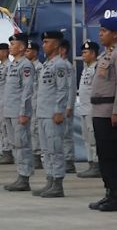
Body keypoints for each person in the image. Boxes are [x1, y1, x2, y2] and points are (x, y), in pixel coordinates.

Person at [89, 18, 117, 212]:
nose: (100, 34)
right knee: (103, 154)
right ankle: (109, 193)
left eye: (104, 31)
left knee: (112, 155)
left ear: (115, 33)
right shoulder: (106, 55)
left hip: (110, 111)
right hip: (98, 111)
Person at [32, 31, 68, 198]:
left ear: (56, 44)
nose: (44, 45)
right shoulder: (47, 64)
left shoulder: (59, 64)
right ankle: (50, 180)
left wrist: (59, 110)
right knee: (46, 151)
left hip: (53, 114)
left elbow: (62, 89)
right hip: (43, 113)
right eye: (43, 41)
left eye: (47, 42)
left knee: (55, 150)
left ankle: (58, 184)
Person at [2, 33, 35, 191]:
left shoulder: (25, 65)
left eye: (13, 44)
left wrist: (23, 112)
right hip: (9, 110)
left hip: (18, 112)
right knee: (15, 145)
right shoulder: (11, 65)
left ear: (22, 47)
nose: (10, 46)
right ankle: (20, 175)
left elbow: (27, 91)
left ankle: (24, 177)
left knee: (22, 145)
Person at [77, 41, 101, 178]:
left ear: (93, 53)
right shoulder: (86, 68)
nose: (83, 55)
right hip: (84, 108)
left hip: (93, 109)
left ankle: (97, 165)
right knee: (87, 139)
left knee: (93, 139)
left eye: (85, 53)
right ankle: (91, 163)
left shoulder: (97, 67)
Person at [25, 41, 44, 169]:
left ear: (35, 52)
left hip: (37, 102)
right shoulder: (26, 67)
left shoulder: (39, 68)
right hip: (28, 102)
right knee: (29, 130)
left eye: (28, 50)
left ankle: (37, 156)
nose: (26, 53)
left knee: (35, 130)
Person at [0, 43, 13, 165]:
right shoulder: (0, 66)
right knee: (1, 128)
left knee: (6, 128)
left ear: (6, 52)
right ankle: (4, 150)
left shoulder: (9, 66)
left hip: (5, 102)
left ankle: (8, 153)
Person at [60, 40, 77, 174]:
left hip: (65, 105)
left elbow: (71, 87)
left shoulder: (67, 66)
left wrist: (70, 106)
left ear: (63, 50)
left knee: (66, 135)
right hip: (58, 106)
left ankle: (69, 161)